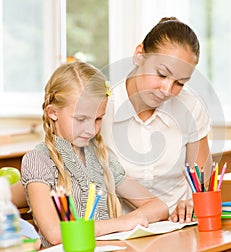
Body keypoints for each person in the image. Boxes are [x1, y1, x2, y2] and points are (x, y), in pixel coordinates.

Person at [20, 61, 169, 248]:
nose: (91, 129)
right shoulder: (37, 160)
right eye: (81, 119)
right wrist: (119, 224)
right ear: (53, 113)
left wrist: (133, 218)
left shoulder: (102, 159)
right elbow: (55, 233)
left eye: (98, 119)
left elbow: (159, 207)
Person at [101, 17, 212, 223]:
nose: (168, 90)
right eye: (161, 74)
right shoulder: (102, 108)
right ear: (139, 55)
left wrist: (194, 202)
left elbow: (201, 185)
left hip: (179, 227)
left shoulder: (191, 107)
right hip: (122, 231)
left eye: (180, 83)